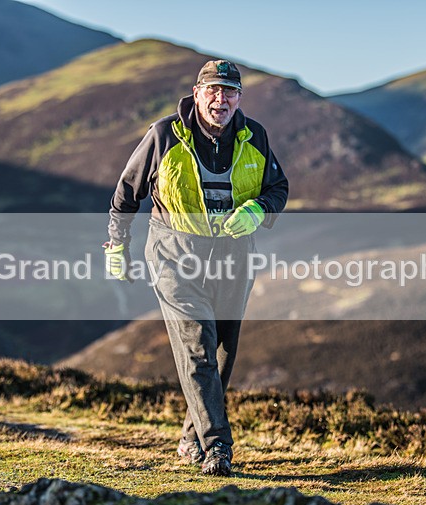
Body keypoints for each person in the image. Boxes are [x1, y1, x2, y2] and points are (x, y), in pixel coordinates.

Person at [104, 60, 288, 475]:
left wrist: (258, 209)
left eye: (229, 92)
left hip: (234, 256)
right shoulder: (164, 134)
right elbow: (126, 192)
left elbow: (278, 187)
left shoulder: (254, 135)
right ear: (197, 92)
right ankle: (217, 447)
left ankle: (192, 436)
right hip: (174, 252)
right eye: (213, 91)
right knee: (196, 346)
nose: (220, 99)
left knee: (222, 351)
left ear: (239, 97)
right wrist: (116, 244)